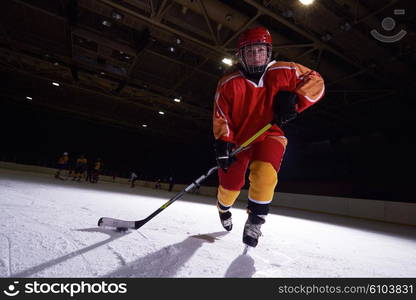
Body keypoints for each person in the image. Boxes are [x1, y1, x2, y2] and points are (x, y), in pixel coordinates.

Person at [212, 26, 325, 247]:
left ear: (268, 52)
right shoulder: (227, 83)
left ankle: (256, 220)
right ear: (241, 55)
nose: (256, 56)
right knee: (231, 187)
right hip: (239, 141)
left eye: (260, 51)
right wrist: (223, 144)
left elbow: (317, 81)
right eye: (250, 52)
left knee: (265, 174)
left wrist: (296, 99)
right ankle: (223, 208)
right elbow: (221, 115)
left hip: (269, 135)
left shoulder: (286, 70)